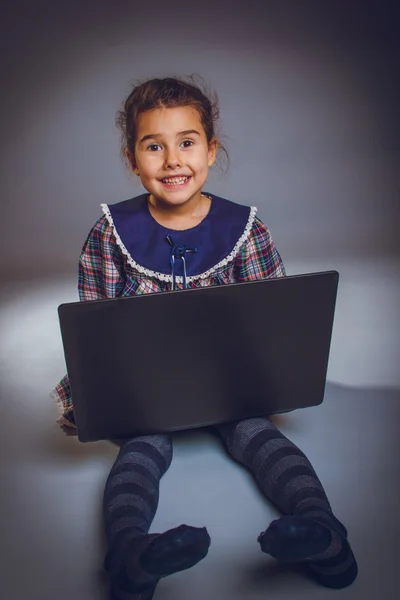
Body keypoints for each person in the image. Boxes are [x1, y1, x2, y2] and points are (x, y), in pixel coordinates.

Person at [53, 76, 358, 599]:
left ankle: (324, 534)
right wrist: (105, 392)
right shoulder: (110, 233)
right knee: (141, 451)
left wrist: (267, 373)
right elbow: (94, 329)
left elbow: (275, 320)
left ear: (211, 151)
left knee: (259, 437)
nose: (173, 160)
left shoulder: (246, 228)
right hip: (143, 386)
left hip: (230, 382)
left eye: (187, 142)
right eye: (155, 146)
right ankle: (131, 555)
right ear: (133, 159)